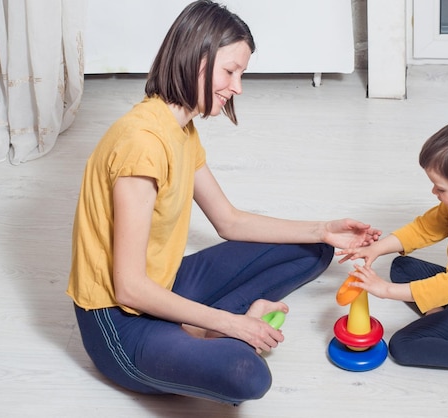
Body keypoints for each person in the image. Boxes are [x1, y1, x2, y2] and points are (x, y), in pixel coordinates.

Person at [66, 0, 380, 406]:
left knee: (314, 248)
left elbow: (228, 221)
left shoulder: (180, 128)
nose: (237, 87)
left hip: (163, 283)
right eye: (231, 71)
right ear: (196, 58)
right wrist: (231, 324)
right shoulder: (140, 144)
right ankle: (214, 326)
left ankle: (209, 324)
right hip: (119, 321)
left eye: (241, 74)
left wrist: (322, 228)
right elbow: (127, 288)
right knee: (245, 374)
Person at [337, 119, 448, 399]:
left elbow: (447, 286)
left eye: (440, 188)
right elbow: (425, 228)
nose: (434, 193)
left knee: (403, 345)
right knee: (401, 265)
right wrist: (376, 248)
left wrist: (384, 291)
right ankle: (439, 314)